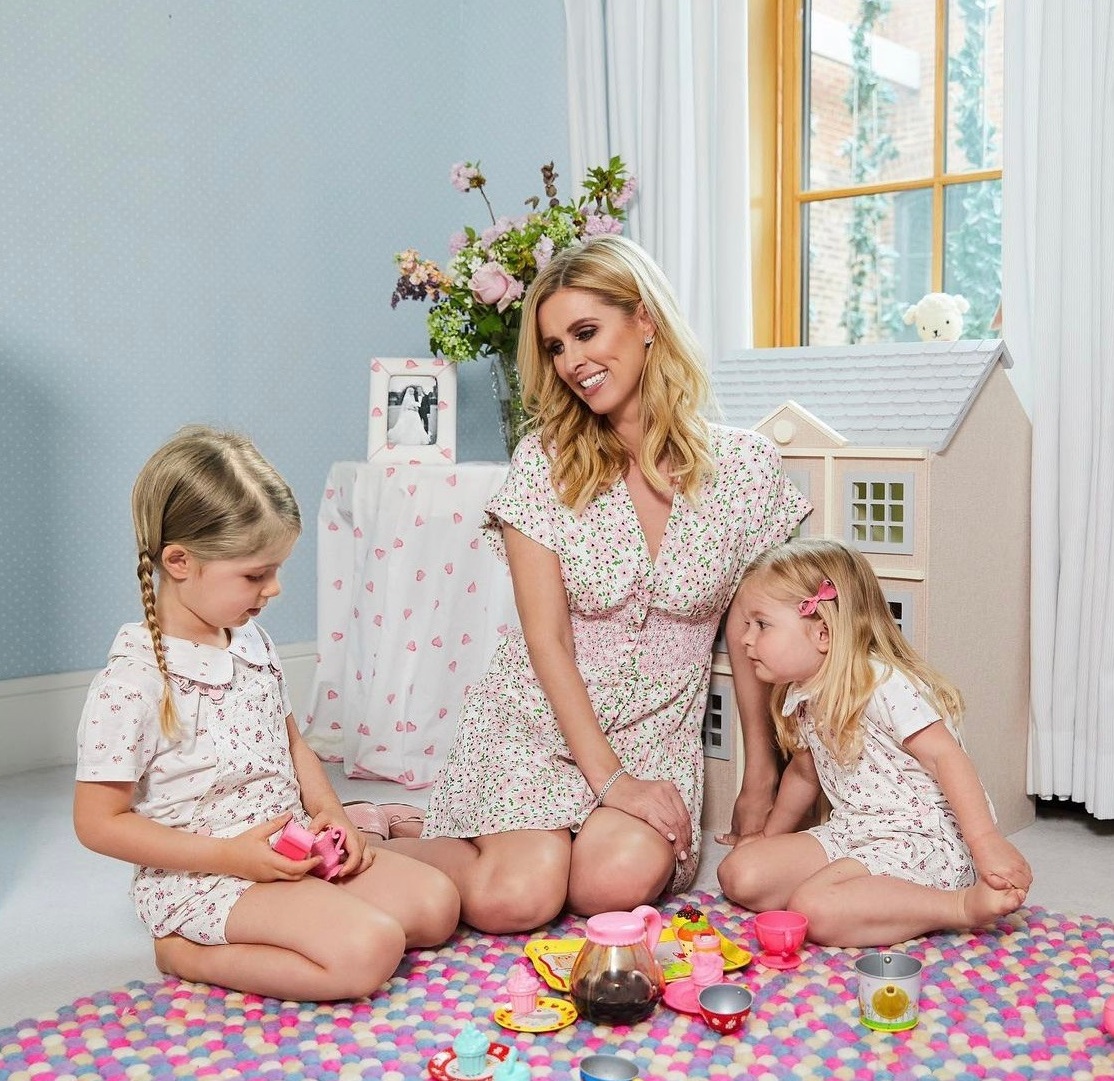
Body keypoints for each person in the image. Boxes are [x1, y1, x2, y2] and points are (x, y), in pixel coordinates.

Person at [387, 234, 810, 933]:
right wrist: (610, 780)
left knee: (611, 884)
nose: (572, 362)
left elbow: (752, 634)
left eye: (586, 333)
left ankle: (509, 837)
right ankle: (382, 839)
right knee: (517, 898)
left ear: (644, 319)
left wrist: (760, 775)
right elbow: (546, 640)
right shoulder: (544, 462)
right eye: (556, 347)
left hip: (655, 737)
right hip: (539, 721)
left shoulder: (746, 468)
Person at [73, 426, 459, 1001]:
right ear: (179, 561)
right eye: (256, 574)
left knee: (436, 906)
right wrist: (230, 856)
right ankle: (183, 949)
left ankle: (315, 903)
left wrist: (330, 812)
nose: (274, 589)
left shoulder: (250, 640)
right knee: (369, 952)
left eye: (276, 569)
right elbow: (98, 822)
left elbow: (292, 742)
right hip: (206, 874)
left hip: (290, 844)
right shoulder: (132, 684)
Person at [717, 537, 1032, 947]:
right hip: (853, 830)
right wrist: (771, 838)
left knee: (815, 908)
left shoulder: (882, 683)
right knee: (740, 873)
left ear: (823, 633)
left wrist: (986, 842)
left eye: (761, 625)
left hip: (921, 839)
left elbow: (945, 757)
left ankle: (958, 906)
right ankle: (862, 892)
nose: (745, 639)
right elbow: (804, 773)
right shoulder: (804, 692)